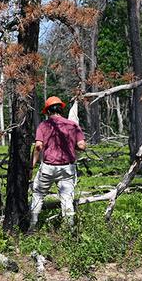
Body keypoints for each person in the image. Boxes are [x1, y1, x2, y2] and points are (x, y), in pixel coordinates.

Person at [29, 96, 87, 231]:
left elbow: (38, 146)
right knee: (67, 198)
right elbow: (82, 146)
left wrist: (31, 166)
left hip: (48, 168)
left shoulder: (44, 125)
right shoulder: (72, 125)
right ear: (61, 108)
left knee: (38, 194)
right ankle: (70, 229)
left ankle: (32, 226)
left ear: (48, 111)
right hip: (67, 168)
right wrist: (72, 146)